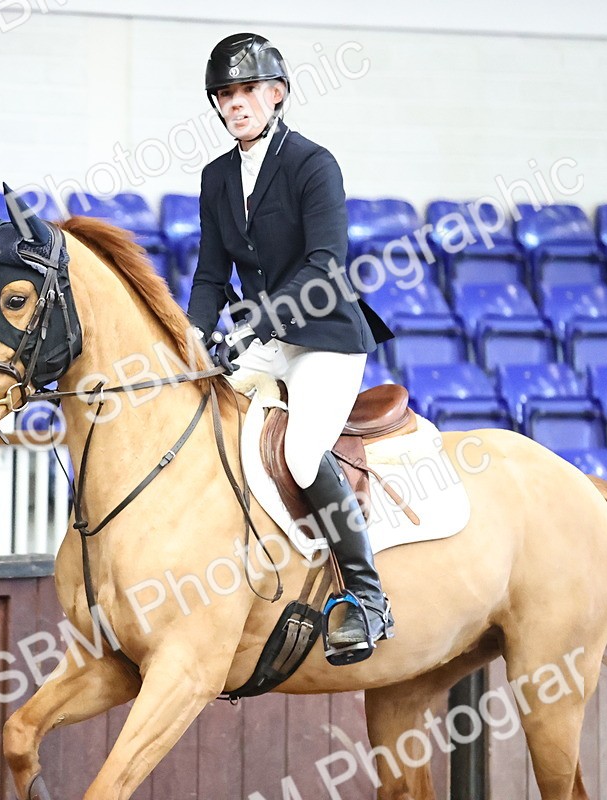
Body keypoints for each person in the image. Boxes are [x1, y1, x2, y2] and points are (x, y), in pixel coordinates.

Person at [187, 33, 397, 663]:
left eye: (247, 90)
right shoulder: (217, 176)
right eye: (225, 94)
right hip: (267, 338)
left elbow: (327, 266)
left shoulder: (313, 163)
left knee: (303, 454)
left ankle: (367, 596)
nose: (235, 103)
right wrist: (193, 337)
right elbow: (209, 273)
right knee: (201, 415)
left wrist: (252, 330)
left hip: (325, 336)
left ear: (275, 95)